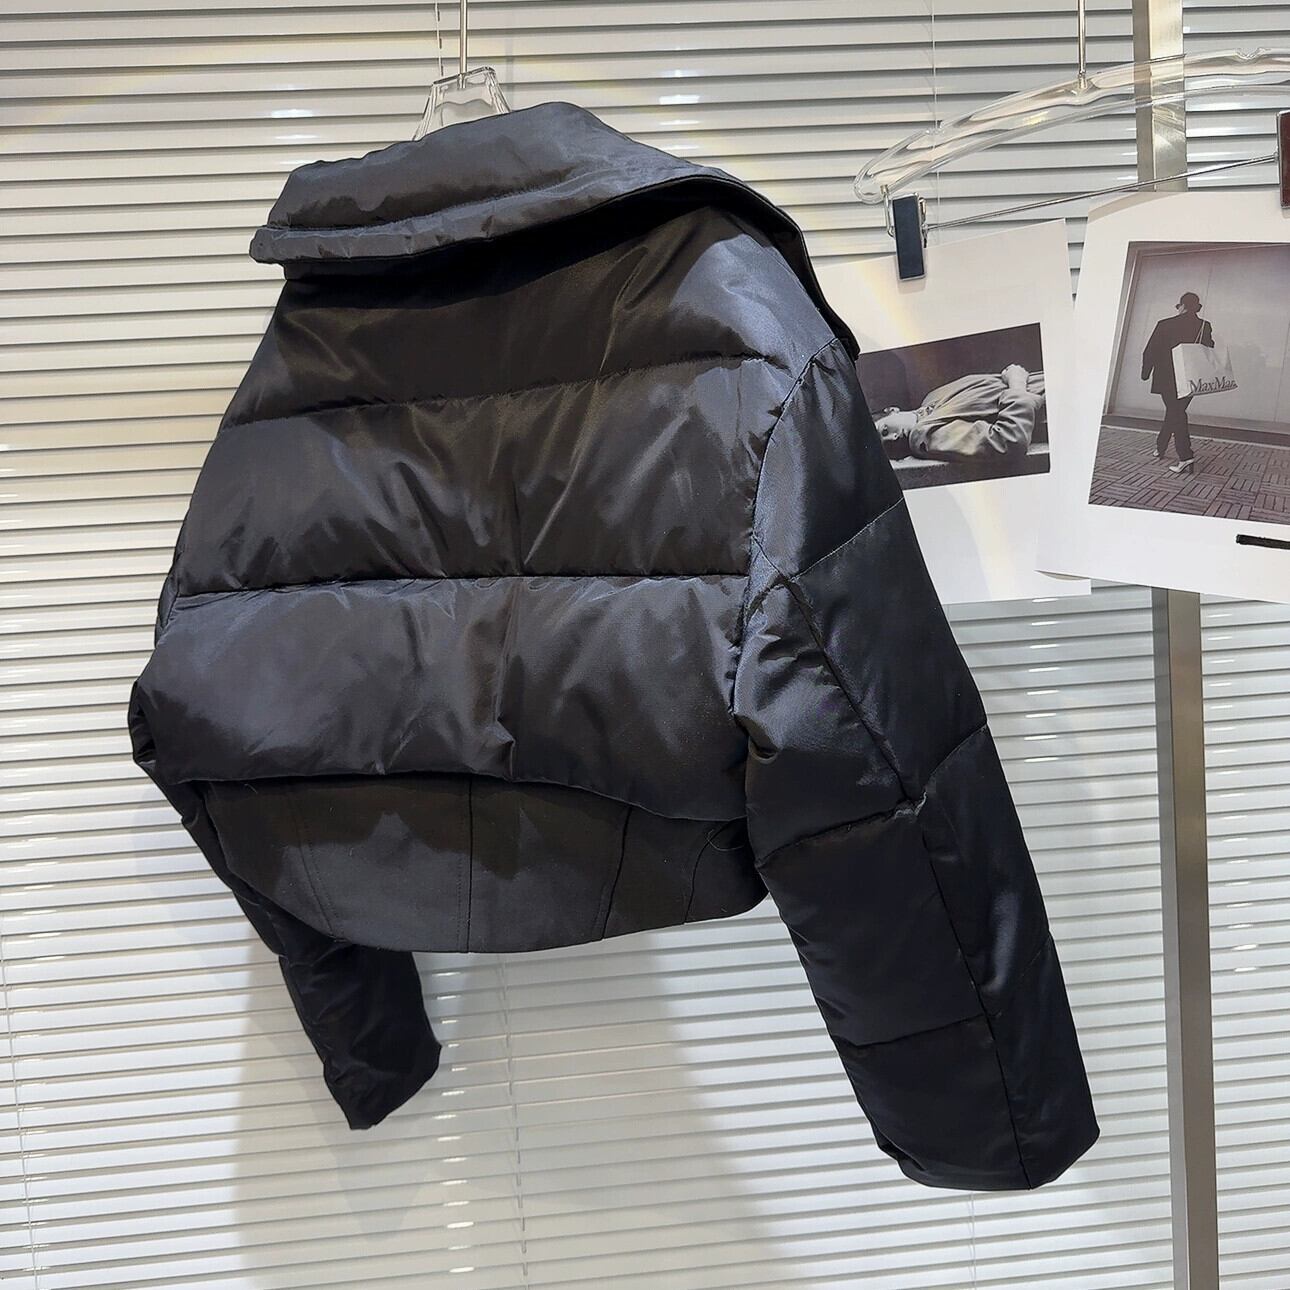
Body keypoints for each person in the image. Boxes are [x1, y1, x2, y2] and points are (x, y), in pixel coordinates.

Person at [873, 364, 1045, 464]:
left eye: (884, 431)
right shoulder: (923, 436)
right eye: (886, 448)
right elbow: (1008, 441)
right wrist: (1017, 383)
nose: (893, 438)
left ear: (891, 410)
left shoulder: (932, 397)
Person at [1140, 290, 1214, 475]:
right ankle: (1161, 446)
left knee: (1176, 412)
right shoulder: (1204, 326)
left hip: (1167, 377)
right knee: (1175, 411)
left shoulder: (1165, 324)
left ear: (1182, 306)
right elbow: (1209, 348)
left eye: (1178, 306)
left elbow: (1151, 350)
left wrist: (1145, 373)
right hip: (1190, 377)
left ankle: (1185, 456)